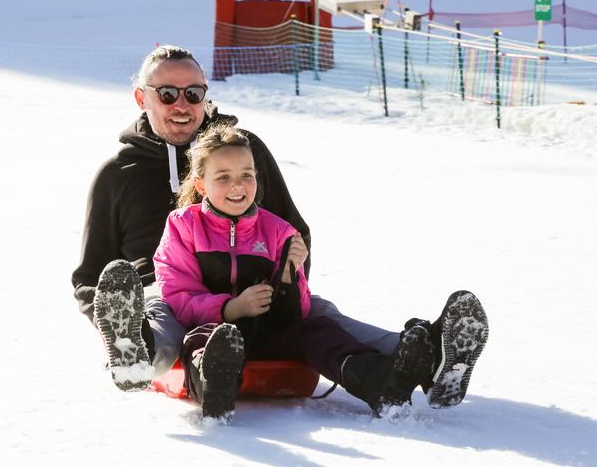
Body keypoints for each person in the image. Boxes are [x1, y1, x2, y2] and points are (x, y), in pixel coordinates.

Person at [73, 45, 488, 410]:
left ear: (205, 95)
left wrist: (287, 281)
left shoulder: (243, 151)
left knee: (320, 316)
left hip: (258, 281)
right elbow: (91, 278)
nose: (181, 104)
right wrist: (112, 323)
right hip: (168, 291)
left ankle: (427, 355)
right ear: (141, 97)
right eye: (167, 94)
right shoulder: (117, 174)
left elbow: (290, 230)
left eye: (193, 93)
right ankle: (135, 352)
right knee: (163, 319)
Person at [153, 123, 454, 420]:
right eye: (224, 177)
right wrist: (231, 308)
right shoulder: (183, 225)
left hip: (268, 332)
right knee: (204, 338)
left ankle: (383, 384)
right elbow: (178, 296)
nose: (238, 185)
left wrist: (288, 275)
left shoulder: (278, 230)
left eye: (247, 175)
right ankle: (215, 385)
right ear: (201, 185)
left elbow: (301, 309)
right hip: (215, 332)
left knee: (317, 331)